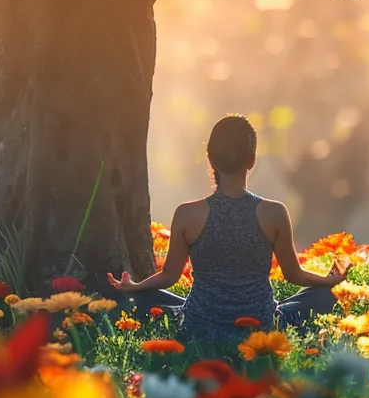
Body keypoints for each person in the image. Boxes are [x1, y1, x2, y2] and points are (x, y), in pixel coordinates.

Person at [107, 114, 346, 343]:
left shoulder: (187, 214)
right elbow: (294, 275)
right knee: (327, 296)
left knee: (141, 299)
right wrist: (329, 281)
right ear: (251, 161)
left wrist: (136, 287)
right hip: (259, 326)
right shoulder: (274, 213)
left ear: (210, 159)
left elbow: (170, 276)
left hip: (200, 325)